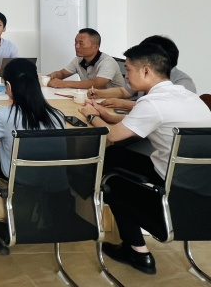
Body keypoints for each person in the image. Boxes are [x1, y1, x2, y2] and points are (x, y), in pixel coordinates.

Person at [77, 43, 211, 275]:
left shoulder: (152, 103)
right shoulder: (190, 97)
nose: (125, 76)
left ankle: (137, 251)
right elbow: (138, 124)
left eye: (128, 70)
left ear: (146, 71)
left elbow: (113, 136)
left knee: (111, 182)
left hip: (175, 189)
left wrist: (90, 116)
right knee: (115, 157)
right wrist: (105, 115)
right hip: (200, 183)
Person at [0, 58, 65, 254]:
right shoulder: (57, 115)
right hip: (50, 186)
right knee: (0, 149)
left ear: (9, 86)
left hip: (18, 182)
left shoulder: (5, 115)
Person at [97, 35, 196, 110]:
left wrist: (123, 104)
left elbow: (164, 109)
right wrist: (98, 93)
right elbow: (124, 91)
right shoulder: (144, 77)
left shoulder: (183, 82)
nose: (127, 76)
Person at [46, 28, 125, 91]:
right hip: (93, 98)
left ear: (95, 47)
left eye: (81, 43)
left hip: (115, 101)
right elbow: (63, 73)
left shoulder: (107, 62)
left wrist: (64, 83)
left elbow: (97, 84)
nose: (76, 46)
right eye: (76, 42)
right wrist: (52, 76)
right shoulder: (78, 59)